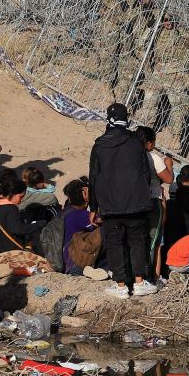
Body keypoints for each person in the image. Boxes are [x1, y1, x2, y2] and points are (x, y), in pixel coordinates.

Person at [88, 103, 159, 299]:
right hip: (136, 202)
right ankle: (139, 282)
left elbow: (93, 177)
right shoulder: (136, 142)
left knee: (115, 243)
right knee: (137, 241)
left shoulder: (100, 144)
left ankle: (120, 286)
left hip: (110, 205)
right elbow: (145, 174)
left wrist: (93, 207)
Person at [137, 126, 172, 280]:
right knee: (155, 241)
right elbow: (168, 179)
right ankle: (153, 277)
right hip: (153, 201)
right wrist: (169, 165)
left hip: (135, 202)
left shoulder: (131, 155)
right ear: (149, 143)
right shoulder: (153, 157)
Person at [61, 177, 108, 280]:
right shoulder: (79, 215)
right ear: (84, 193)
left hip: (68, 262)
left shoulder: (67, 211)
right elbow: (105, 220)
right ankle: (104, 267)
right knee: (106, 231)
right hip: (76, 264)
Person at [0, 176, 45, 254]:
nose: (22, 199)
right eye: (20, 196)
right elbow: (18, 229)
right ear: (12, 194)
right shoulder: (11, 209)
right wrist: (38, 224)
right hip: (7, 249)